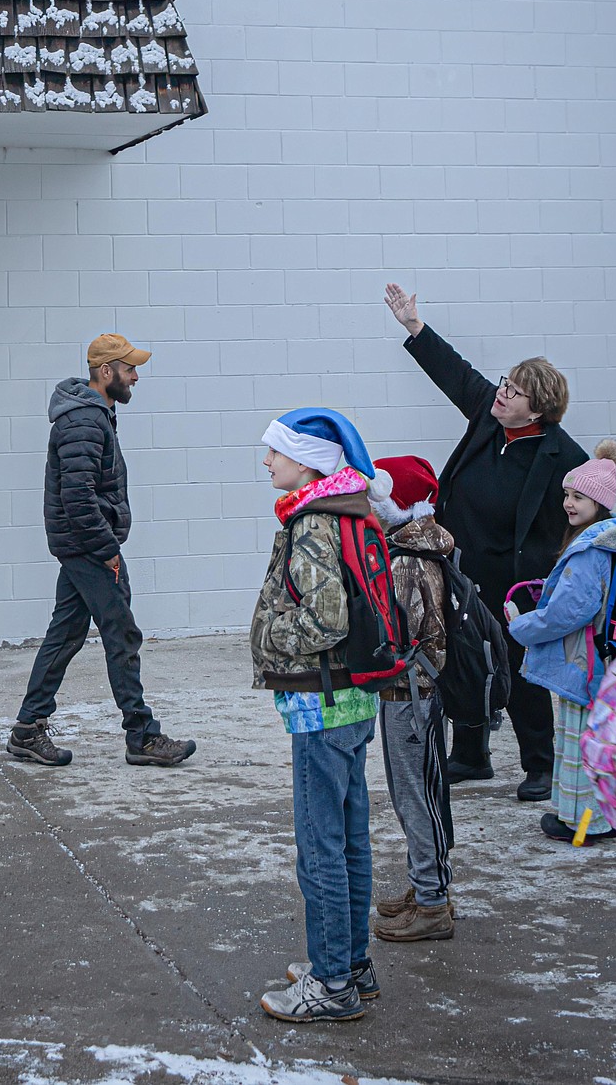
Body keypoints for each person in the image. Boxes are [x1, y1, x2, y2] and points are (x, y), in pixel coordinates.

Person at [384, 282, 587, 801]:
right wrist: (415, 326)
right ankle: (471, 754)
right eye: (505, 383)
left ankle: (540, 764)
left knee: (520, 672)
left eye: (515, 391)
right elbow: (457, 374)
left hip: (515, 582)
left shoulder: (563, 457)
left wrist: (561, 577)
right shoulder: (487, 418)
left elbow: (585, 515)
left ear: (537, 410)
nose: (502, 392)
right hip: (459, 567)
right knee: (459, 660)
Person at [8, 333, 196, 770]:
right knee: (122, 635)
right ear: (106, 371)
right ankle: (143, 737)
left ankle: (27, 729)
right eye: (129, 369)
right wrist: (107, 549)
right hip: (90, 548)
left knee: (66, 635)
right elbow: (77, 496)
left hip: (82, 547)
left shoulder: (93, 417)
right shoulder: (84, 422)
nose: (135, 377)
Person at [252, 407, 382, 1025]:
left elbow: (326, 618)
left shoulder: (311, 522)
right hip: (355, 699)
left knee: (320, 847)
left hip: (319, 704)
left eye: (275, 451)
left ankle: (330, 983)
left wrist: (270, 638)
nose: (268, 461)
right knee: (350, 839)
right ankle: (352, 963)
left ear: (307, 461)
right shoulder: (350, 510)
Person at [506, 440, 616, 844]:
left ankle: (584, 826)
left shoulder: (589, 551)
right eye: (567, 495)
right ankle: (610, 818)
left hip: (587, 667)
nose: (569, 504)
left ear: (599, 502)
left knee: (580, 746)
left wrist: (522, 627)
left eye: (579, 497)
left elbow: (567, 614)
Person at [368, 455, 456, 943]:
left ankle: (431, 902)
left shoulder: (407, 561)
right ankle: (431, 884)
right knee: (421, 792)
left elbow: (397, 636)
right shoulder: (418, 548)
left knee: (415, 797)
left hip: (410, 697)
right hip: (415, 695)